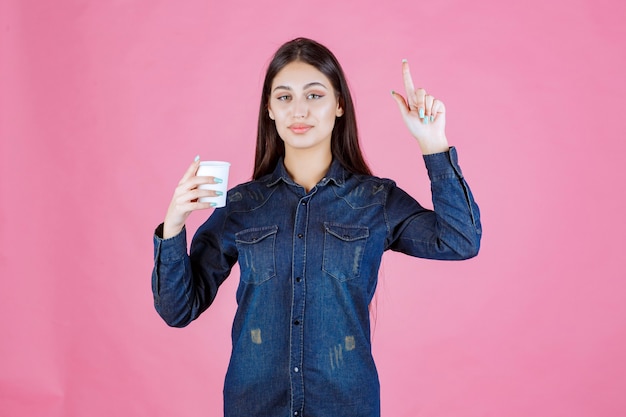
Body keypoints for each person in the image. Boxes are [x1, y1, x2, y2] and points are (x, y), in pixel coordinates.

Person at [152, 37, 481, 417]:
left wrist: (433, 145)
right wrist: (174, 224)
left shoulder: (374, 201)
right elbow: (177, 310)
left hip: (345, 405)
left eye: (314, 95)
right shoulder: (241, 206)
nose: (299, 111)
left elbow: (460, 241)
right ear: (270, 110)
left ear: (339, 104)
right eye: (285, 97)